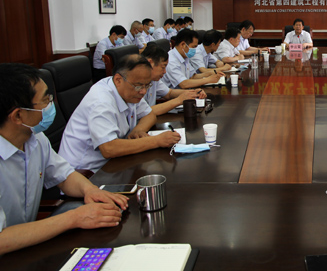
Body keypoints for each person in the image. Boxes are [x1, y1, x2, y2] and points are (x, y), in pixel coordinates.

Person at [0, 63, 128, 255]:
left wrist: (90, 190)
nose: (51, 105)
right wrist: (74, 218)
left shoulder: (35, 139)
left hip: (28, 247)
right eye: (45, 100)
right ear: (18, 115)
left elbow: (64, 175)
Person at [58, 55, 181, 172]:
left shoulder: (128, 89)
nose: (143, 91)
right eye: (139, 86)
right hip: (87, 172)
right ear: (118, 80)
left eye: (147, 85)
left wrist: (138, 130)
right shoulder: (101, 102)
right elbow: (109, 148)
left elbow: (149, 115)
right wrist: (156, 141)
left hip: (114, 162)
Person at [141, 44, 206, 115]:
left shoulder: (154, 79)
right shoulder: (135, 83)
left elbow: (169, 93)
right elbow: (144, 112)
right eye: (163, 67)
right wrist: (179, 100)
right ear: (150, 63)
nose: (165, 71)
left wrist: (193, 93)